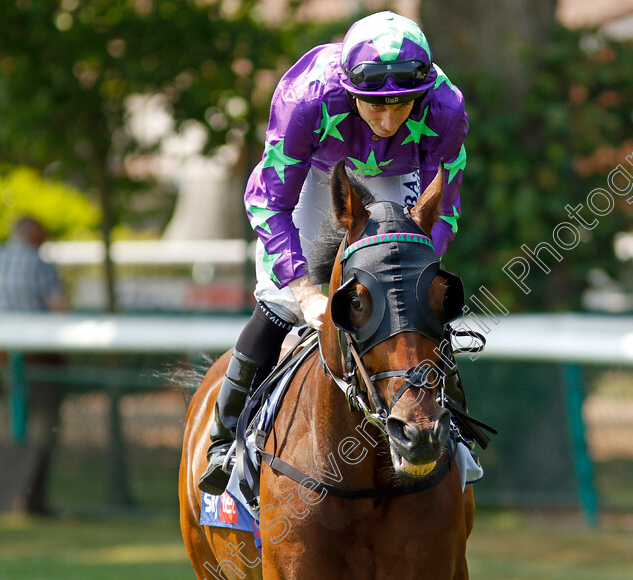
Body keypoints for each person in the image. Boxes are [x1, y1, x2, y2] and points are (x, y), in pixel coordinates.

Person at [198, 11, 468, 494]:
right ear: (349, 90)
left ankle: (454, 432)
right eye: (374, 106)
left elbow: (443, 209)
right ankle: (223, 442)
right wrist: (304, 291)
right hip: (317, 174)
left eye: (403, 105)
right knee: (278, 302)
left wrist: (411, 271)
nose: (387, 121)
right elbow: (267, 201)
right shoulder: (305, 98)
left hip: (397, 177)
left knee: (415, 302)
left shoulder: (445, 108)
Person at [0, 216, 67, 514]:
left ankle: (4, 497)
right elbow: (58, 311)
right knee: (42, 429)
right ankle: (29, 499)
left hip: (4, 358)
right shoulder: (40, 266)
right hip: (39, 358)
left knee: (9, 428)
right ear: (34, 234)